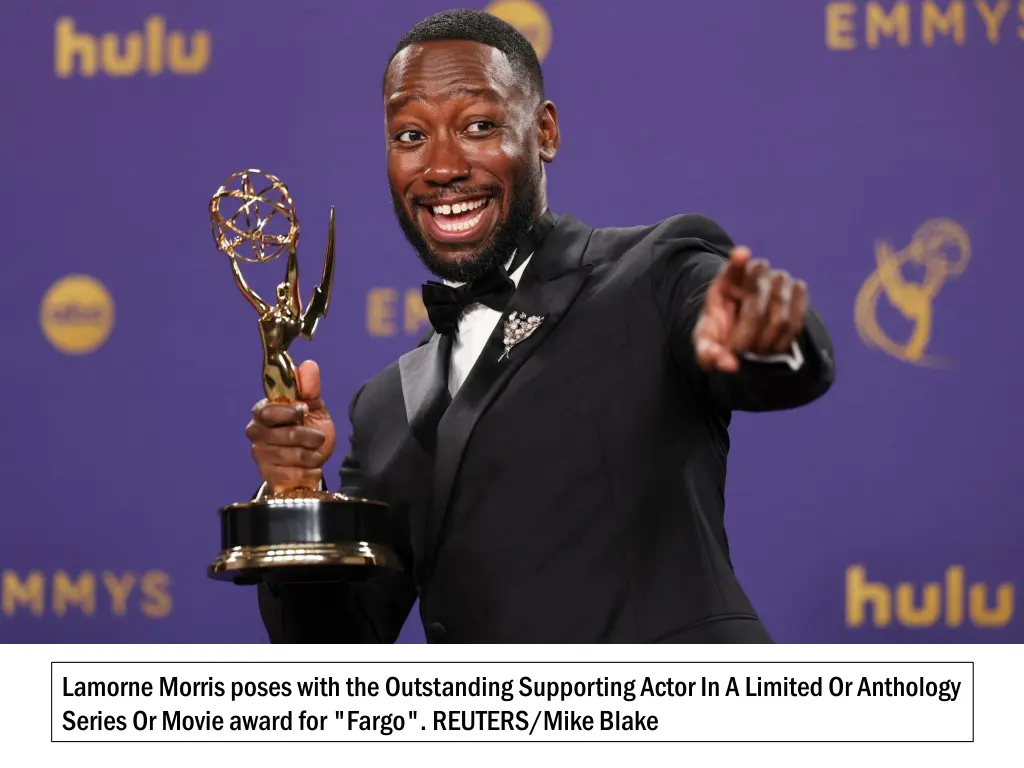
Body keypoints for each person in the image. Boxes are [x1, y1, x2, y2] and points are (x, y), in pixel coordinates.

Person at [246, 9, 835, 643]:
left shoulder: (655, 273)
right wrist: (296, 495)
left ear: (544, 131)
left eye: (478, 126)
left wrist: (765, 346)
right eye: (410, 135)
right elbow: (334, 648)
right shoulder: (385, 405)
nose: (441, 167)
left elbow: (770, 358)